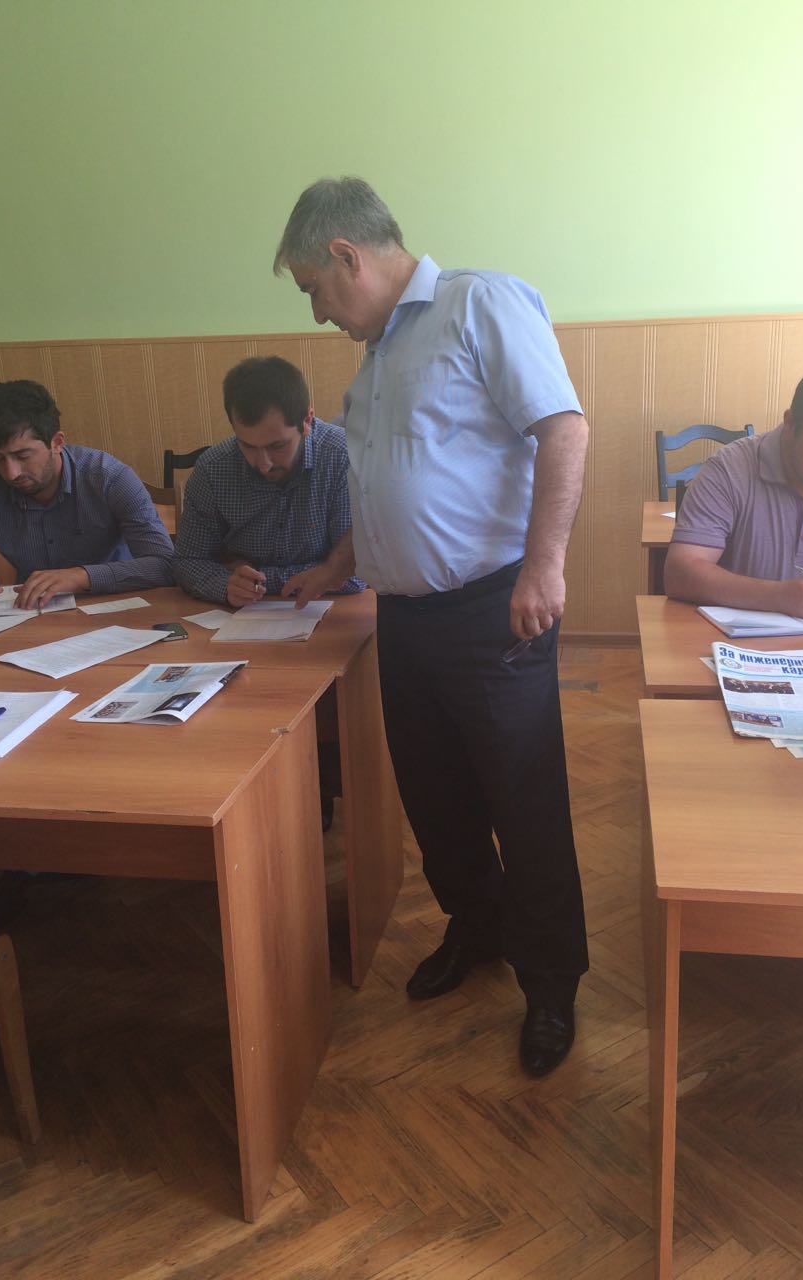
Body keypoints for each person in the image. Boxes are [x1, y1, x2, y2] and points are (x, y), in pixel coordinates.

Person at [273, 176, 590, 1077]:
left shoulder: (478, 304)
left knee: (523, 801)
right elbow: (381, 485)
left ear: (347, 256)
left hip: (493, 610)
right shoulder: (376, 357)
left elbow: (564, 431)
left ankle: (551, 980)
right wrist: (340, 561)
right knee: (436, 797)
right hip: (403, 620)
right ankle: (476, 928)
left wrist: (544, 566)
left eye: (314, 289)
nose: (318, 311)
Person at [665, 364, 803, 621]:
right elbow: (679, 574)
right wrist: (776, 596)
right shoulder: (730, 469)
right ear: (790, 423)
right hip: (741, 640)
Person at [0, 379, 174, 607]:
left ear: (57, 442)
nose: (11, 473)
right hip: (30, 613)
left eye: (23, 456)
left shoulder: (109, 477)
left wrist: (82, 577)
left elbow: (165, 565)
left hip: (113, 607)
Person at [172, 355, 363, 606]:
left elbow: (356, 573)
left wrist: (257, 577)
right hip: (235, 616)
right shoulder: (212, 469)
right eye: (247, 446)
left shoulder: (342, 457)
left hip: (331, 612)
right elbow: (187, 562)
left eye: (277, 446)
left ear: (307, 420)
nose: (264, 464)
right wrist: (226, 586)